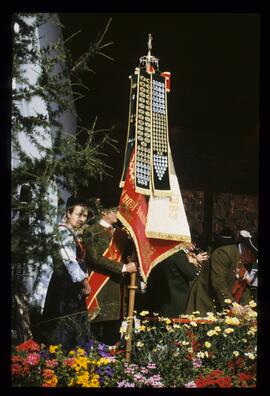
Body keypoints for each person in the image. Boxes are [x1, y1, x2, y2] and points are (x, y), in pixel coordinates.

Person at [34, 196, 91, 351]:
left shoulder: (70, 233)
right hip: (63, 289)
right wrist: (85, 282)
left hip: (69, 288)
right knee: (63, 331)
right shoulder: (62, 232)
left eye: (85, 216)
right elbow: (69, 260)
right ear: (68, 213)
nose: (82, 219)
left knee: (73, 329)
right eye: (79, 214)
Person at [82, 198, 137, 346]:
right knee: (96, 327)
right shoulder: (91, 231)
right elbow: (95, 259)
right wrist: (124, 268)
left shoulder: (121, 233)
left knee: (113, 330)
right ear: (104, 213)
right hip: (99, 286)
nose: (118, 214)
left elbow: (126, 255)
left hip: (117, 287)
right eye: (115, 211)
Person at [185, 230, 258, 316]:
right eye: (255, 257)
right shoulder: (223, 254)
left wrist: (245, 304)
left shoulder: (243, 259)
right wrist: (232, 304)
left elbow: (243, 285)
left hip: (221, 304)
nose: (254, 261)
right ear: (249, 252)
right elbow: (218, 282)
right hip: (205, 302)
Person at [144, 245, 208, 317]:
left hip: (163, 297)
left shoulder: (164, 252)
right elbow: (190, 274)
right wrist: (194, 262)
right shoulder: (178, 253)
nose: (194, 245)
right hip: (176, 297)